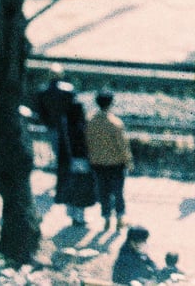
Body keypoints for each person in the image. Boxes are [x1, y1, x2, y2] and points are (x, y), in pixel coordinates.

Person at [86, 89, 134, 231]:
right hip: (115, 164)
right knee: (118, 192)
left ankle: (106, 218)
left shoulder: (90, 121)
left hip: (97, 163)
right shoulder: (115, 123)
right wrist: (129, 161)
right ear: (111, 103)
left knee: (103, 192)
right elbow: (123, 145)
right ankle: (120, 218)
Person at [55, 93, 96, 226]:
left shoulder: (64, 124)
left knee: (71, 188)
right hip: (82, 161)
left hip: (68, 161)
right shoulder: (81, 127)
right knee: (82, 190)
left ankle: (72, 215)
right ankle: (79, 217)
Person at [112, 225, 181, 285]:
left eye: (143, 241)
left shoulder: (137, 249)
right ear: (132, 241)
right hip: (123, 281)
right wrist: (146, 280)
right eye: (140, 242)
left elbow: (148, 260)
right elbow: (130, 273)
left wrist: (156, 270)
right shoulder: (125, 254)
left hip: (136, 278)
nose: (142, 244)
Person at [35, 63, 74, 165]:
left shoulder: (42, 91)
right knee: (66, 149)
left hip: (50, 124)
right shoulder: (68, 90)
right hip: (66, 124)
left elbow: (40, 110)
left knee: (55, 146)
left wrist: (45, 121)